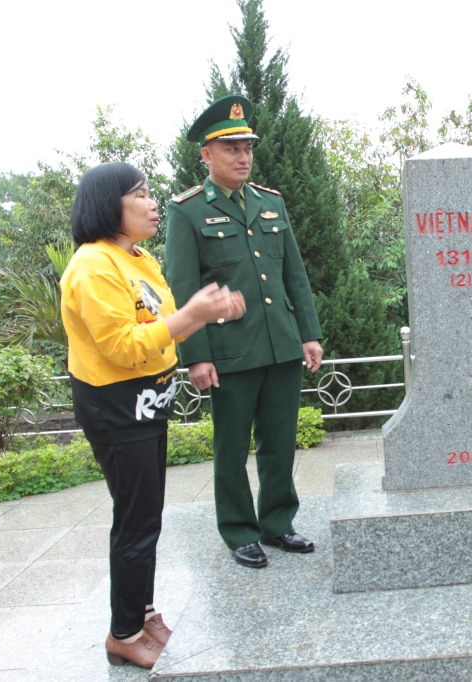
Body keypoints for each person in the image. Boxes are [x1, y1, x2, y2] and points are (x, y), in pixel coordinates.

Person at [60, 162, 246, 668]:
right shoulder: (93, 266)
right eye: (139, 195)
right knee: (136, 522)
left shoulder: (137, 259)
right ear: (108, 205)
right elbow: (122, 345)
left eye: (148, 193)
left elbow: (159, 325)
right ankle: (123, 633)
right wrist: (191, 318)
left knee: (146, 516)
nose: (151, 202)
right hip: (117, 407)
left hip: (148, 403)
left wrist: (203, 314)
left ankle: (141, 610)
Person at [165, 94, 324, 569]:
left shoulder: (270, 203)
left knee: (280, 440)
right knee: (231, 447)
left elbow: (294, 274)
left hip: (279, 343)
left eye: (247, 147)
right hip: (229, 351)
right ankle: (239, 531)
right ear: (206, 155)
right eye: (231, 148)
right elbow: (183, 288)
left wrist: (308, 333)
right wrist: (196, 356)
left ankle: (277, 523)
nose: (243, 157)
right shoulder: (188, 212)